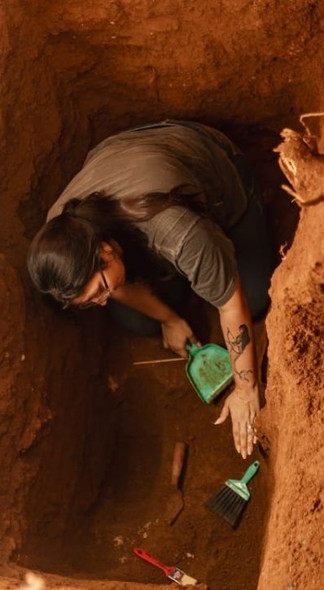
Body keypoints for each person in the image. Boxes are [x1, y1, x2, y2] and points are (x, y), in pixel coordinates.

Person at [28, 121, 276, 459]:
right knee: (140, 322)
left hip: (214, 170)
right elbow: (113, 290)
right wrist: (170, 319)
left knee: (257, 296)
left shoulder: (175, 229)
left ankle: (220, 251)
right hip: (132, 170)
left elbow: (232, 304)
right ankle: (187, 284)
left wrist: (247, 390)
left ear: (104, 251)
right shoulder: (62, 233)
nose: (101, 302)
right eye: (88, 302)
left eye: (100, 289)